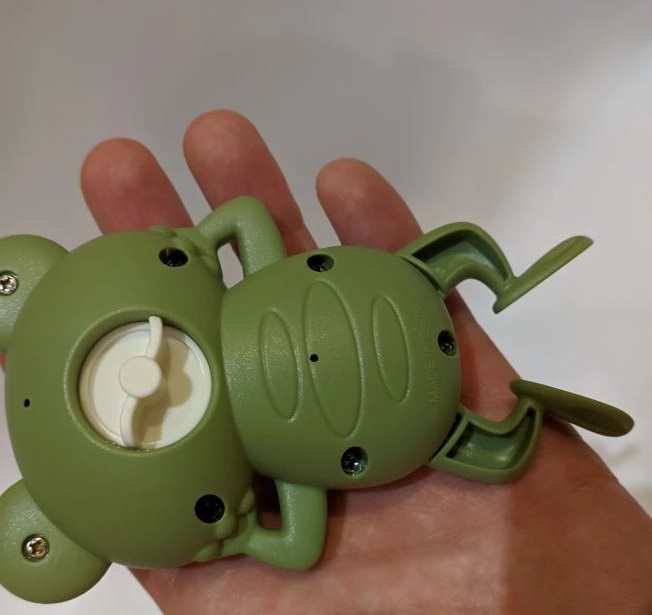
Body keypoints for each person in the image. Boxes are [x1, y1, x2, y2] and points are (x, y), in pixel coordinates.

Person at [78, 110, 652, 614]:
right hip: (388, 340)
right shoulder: (289, 460)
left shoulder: (284, 465)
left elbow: (298, 549)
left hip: (398, 377)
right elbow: (246, 215)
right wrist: (241, 534)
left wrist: (239, 534)